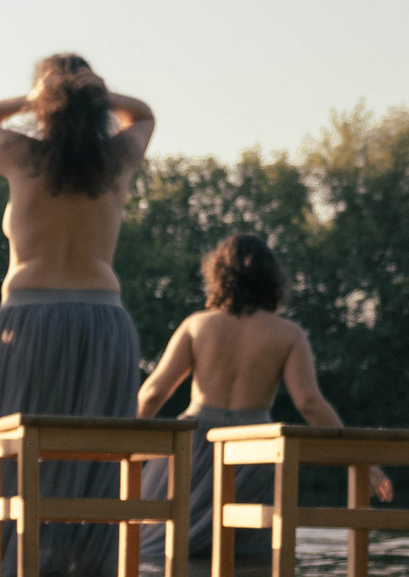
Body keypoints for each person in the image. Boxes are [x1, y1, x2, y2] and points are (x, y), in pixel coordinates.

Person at [0, 53, 155, 577]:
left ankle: (0, 575)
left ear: (47, 104)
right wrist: (95, 96)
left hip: (26, 321)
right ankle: (82, 576)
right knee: (92, 460)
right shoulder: (118, 158)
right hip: (103, 323)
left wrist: (37, 97)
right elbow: (146, 114)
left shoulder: (22, 156)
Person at [136, 233, 390, 560]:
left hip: (193, 444)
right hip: (253, 449)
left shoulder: (197, 325)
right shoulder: (288, 334)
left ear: (219, 276)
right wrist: (362, 462)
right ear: (272, 279)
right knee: (247, 560)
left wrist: (126, 453)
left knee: (161, 551)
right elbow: (310, 404)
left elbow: (153, 392)